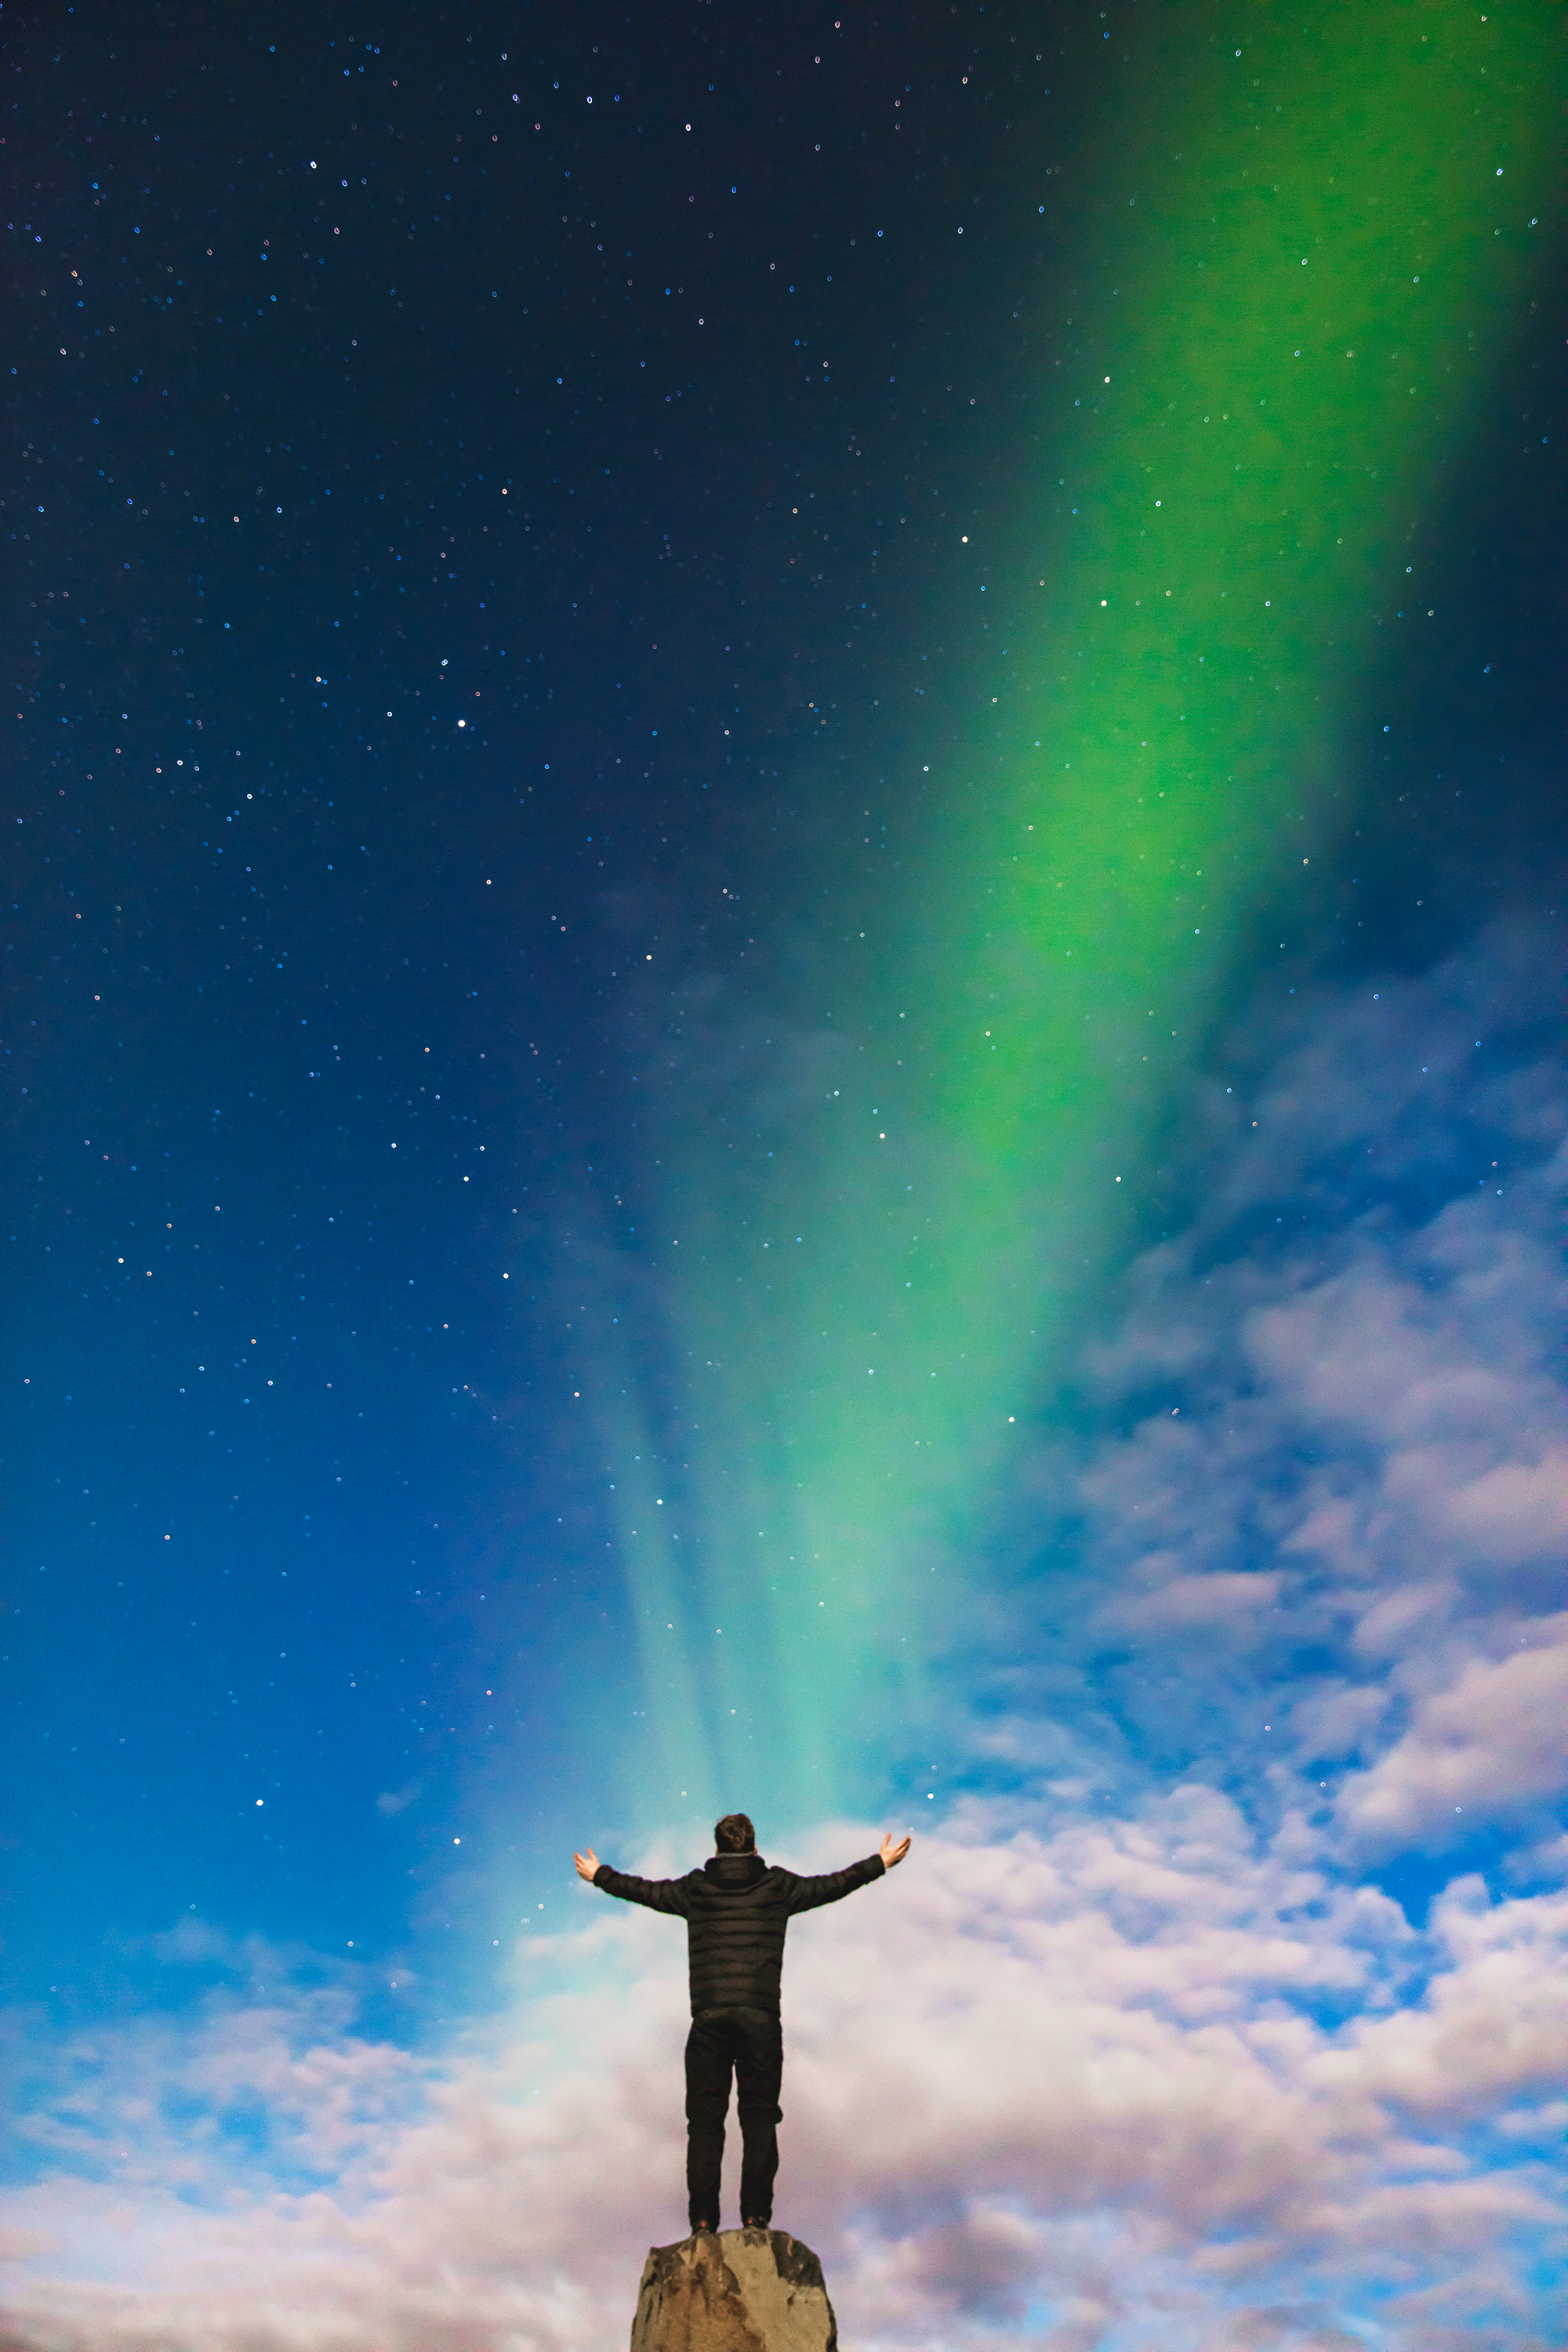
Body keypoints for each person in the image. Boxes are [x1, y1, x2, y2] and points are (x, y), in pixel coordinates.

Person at [574, 1813, 910, 2234]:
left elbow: (645, 1891)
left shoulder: (695, 1889)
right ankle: (755, 2217)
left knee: (704, 2123)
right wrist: (878, 1863)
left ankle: (702, 2222)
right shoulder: (777, 1886)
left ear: (716, 1849)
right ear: (755, 1847)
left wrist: (599, 1875)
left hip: (709, 2020)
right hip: (760, 2020)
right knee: (759, 2119)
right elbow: (832, 1884)